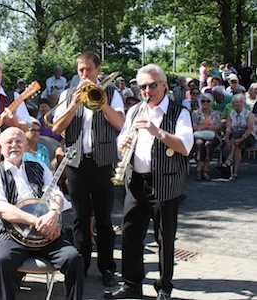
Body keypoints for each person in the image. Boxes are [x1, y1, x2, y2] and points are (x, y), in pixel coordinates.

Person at [106, 64, 193, 300]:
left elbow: (185, 146)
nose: (147, 90)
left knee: (164, 238)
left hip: (165, 183)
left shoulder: (179, 112)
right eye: (142, 86)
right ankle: (131, 284)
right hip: (136, 182)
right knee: (130, 234)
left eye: (152, 85)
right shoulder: (134, 110)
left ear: (164, 85)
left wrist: (159, 132)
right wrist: (121, 145)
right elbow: (121, 139)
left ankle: (164, 288)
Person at [0, 127, 84, 300]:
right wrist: (37, 221)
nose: (14, 145)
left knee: (73, 258)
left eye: (18, 141)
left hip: (46, 234)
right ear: (1, 148)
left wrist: (53, 214)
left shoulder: (40, 168)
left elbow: (57, 194)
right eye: (9, 142)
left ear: (25, 145)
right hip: (11, 234)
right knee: (2, 260)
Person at [52, 51, 124, 284]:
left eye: (89, 70)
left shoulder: (112, 93)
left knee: (103, 218)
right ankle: (80, 266)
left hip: (103, 162)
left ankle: (107, 268)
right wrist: (73, 104)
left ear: (98, 70)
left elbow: (120, 123)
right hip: (76, 162)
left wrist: (100, 101)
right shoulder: (68, 94)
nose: (84, 74)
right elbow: (56, 128)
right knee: (79, 217)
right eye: (81, 70)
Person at [223, 93, 255, 181]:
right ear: (233, 104)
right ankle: (235, 173)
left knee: (239, 133)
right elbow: (228, 129)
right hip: (236, 140)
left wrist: (240, 139)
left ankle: (230, 158)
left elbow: (250, 129)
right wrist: (226, 140)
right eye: (236, 102)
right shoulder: (231, 115)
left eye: (240, 102)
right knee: (237, 147)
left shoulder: (248, 114)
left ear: (244, 103)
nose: (238, 104)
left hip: (248, 137)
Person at [191, 93, 222, 181]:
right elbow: (194, 127)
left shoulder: (215, 113)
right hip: (199, 136)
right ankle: (199, 170)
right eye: (203, 101)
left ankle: (205, 170)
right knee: (199, 143)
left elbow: (218, 128)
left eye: (208, 101)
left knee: (209, 144)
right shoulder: (195, 113)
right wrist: (210, 126)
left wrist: (204, 126)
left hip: (212, 136)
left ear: (211, 102)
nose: (205, 103)